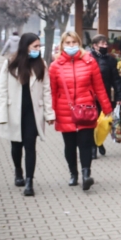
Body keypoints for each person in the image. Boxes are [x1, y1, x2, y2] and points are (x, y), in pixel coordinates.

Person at [49, 30, 113, 191]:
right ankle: (73, 174)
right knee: (69, 145)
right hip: (65, 111)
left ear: (79, 43)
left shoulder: (89, 62)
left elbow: (99, 87)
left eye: (74, 42)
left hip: (86, 109)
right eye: (68, 43)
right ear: (62, 45)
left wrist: (107, 108)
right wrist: (51, 113)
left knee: (85, 143)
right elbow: (52, 91)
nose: (71, 46)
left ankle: (86, 174)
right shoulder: (55, 66)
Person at [0, 33, 53, 196]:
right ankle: (18, 170)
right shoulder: (11, 63)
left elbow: (47, 90)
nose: (38, 49)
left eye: (39, 46)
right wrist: (2, 116)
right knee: (16, 147)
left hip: (33, 113)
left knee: (30, 147)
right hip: (14, 111)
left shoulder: (41, 64)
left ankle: (29, 182)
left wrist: (49, 114)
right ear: (25, 46)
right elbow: (1, 91)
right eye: (35, 46)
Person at [88, 34, 118, 159]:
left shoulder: (110, 60)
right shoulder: (87, 58)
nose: (105, 46)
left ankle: (99, 142)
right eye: (102, 44)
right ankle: (93, 146)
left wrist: (119, 96)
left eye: (106, 44)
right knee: (91, 122)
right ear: (95, 46)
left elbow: (116, 80)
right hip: (89, 96)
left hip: (104, 95)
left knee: (103, 122)